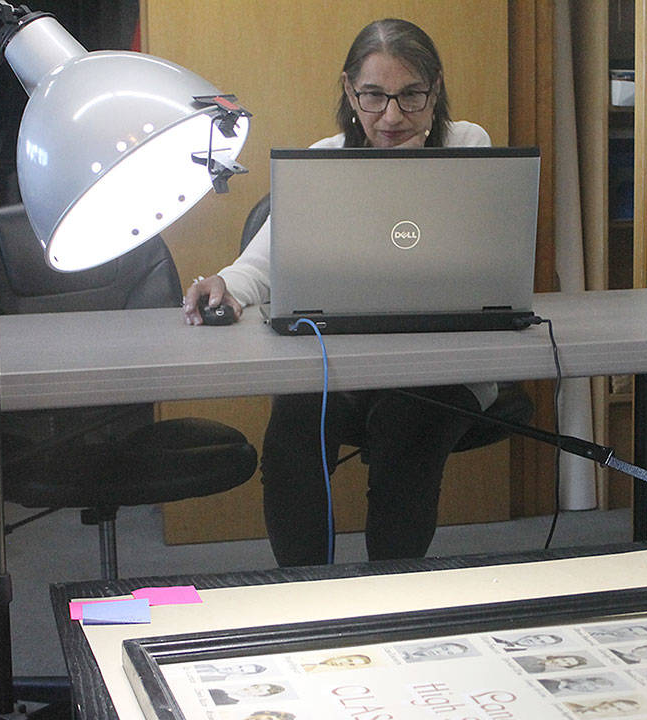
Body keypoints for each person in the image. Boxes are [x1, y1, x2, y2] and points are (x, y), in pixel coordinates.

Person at [181, 19, 495, 566]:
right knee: (294, 427)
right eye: (374, 96)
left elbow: (481, 266)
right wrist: (226, 284)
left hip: (443, 366)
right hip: (345, 370)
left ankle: (392, 591)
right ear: (350, 92)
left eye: (411, 95)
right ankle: (308, 592)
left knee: (406, 423)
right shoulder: (323, 158)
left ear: (435, 90)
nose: (392, 116)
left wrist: (409, 171)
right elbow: (263, 262)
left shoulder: (469, 145)